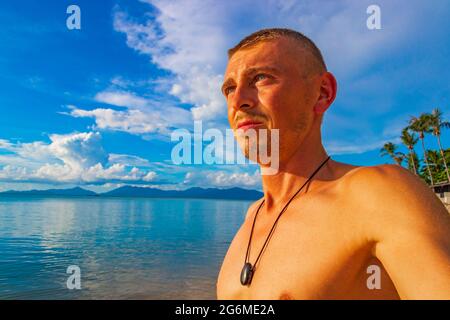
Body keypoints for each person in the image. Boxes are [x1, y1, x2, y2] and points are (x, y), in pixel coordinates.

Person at [216, 28, 450, 300]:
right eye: (229, 88)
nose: (237, 101)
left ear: (322, 93)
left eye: (260, 78)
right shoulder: (253, 215)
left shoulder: (377, 194)